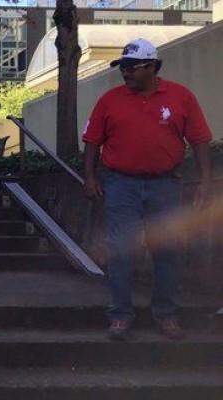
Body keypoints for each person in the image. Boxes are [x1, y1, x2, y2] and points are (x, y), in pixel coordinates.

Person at [82, 38, 212, 341]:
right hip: (120, 183)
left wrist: (205, 181)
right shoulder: (109, 99)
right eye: (122, 68)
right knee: (121, 250)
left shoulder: (181, 97)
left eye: (132, 67)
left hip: (165, 184)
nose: (125, 73)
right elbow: (92, 140)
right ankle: (120, 316)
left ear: (152, 67)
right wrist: (90, 176)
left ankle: (166, 315)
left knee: (167, 250)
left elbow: (200, 140)